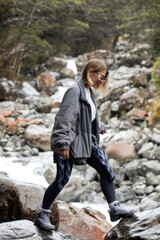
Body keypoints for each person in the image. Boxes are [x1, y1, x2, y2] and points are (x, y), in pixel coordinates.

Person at [34, 59, 134, 230]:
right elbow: (64, 119)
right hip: (69, 141)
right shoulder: (74, 91)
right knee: (61, 179)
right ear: (91, 72)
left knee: (106, 169)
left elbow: (87, 116)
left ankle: (114, 208)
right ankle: (42, 214)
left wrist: (99, 126)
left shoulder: (88, 91)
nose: (101, 81)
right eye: (100, 77)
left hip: (86, 140)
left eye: (104, 78)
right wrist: (62, 143)